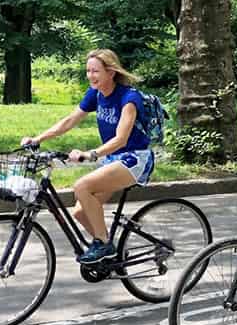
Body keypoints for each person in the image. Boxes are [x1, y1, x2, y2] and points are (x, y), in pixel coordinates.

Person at [21, 49, 154, 264]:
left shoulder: (129, 98)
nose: (91, 76)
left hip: (134, 159)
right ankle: (111, 254)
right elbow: (69, 121)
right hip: (113, 160)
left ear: (111, 72)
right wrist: (37, 139)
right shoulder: (96, 94)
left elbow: (121, 139)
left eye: (96, 71)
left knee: (82, 186)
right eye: (88, 71)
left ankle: (103, 244)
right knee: (81, 213)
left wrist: (90, 154)